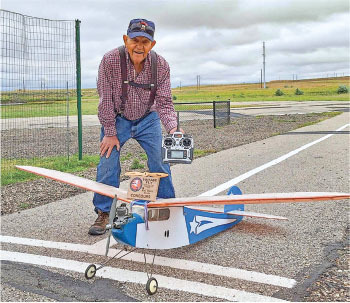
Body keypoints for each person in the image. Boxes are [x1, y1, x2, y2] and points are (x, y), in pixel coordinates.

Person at [89, 18, 180, 235]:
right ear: (125, 39)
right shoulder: (110, 60)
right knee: (108, 163)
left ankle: (165, 207)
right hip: (117, 118)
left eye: (145, 42)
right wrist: (110, 132)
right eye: (134, 40)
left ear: (152, 44)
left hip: (148, 119)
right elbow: (105, 100)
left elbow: (165, 102)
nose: (139, 46)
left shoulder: (162, 66)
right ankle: (104, 212)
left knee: (160, 160)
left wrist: (174, 129)